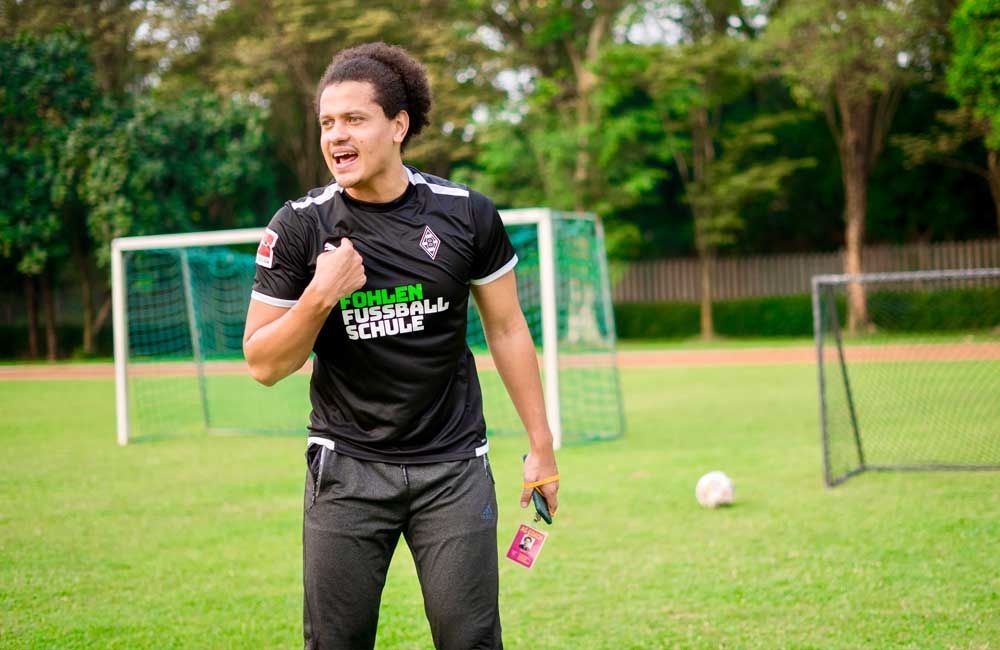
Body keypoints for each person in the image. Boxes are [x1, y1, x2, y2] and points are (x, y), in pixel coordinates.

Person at [242, 42, 560, 650]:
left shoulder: (466, 214)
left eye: (354, 119)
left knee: (469, 638)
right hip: (347, 466)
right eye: (327, 123)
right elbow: (262, 363)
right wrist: (320, 295)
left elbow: (508, 329)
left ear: (398, 125)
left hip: (453, 466)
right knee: (338, 640)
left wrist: (541, 448)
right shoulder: (299, 226)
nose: (337, 135)